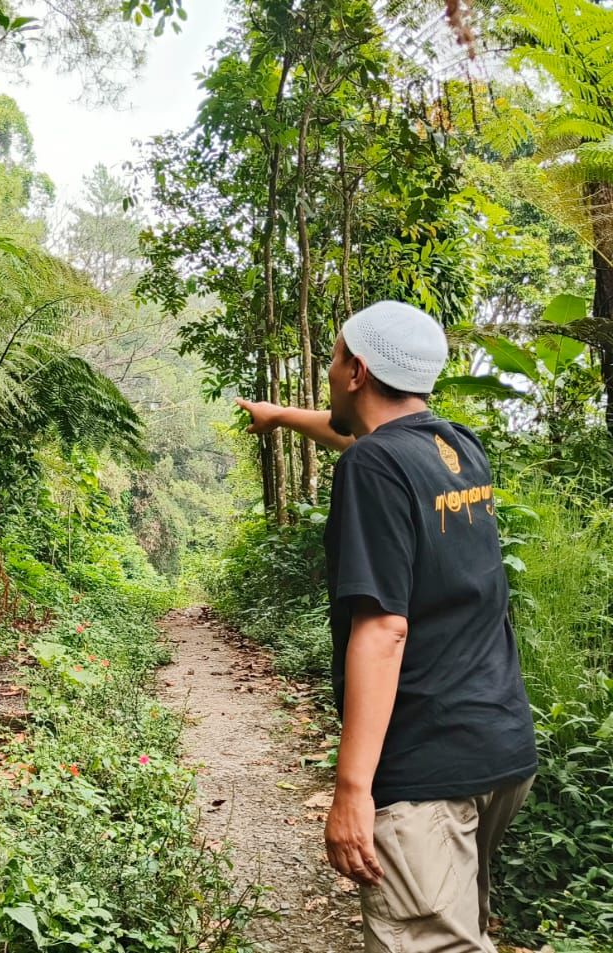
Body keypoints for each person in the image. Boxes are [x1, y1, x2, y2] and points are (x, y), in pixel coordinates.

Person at [235, 300, 537, 953]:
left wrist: (351, 790)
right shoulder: (455, 447)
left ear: (357, 371)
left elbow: (382, 631)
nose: (329, 370)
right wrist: (279, 416)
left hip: (425, 762)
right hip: (500, 749)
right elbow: (357, 435)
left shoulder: (370, 469)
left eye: (334, 357)